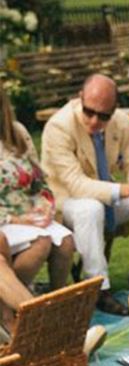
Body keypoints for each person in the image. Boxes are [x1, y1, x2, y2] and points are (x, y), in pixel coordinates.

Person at [41, 74, 129, 317]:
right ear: (80, 99)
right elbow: (75, 184)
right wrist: (127, 189)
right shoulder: (59, 127)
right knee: (90, 209)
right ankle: (99, 287)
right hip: (65, 206)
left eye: (103, 115)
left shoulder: (121, 122)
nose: (95, 120)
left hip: (103, 198)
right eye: (89, 112)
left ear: (114, 110)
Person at [1, 85, 74, 293]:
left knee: (66, 242)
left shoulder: (16, 132)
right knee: (41, 244)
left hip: (30, 214)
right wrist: (16, 219)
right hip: (5, 222)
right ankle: (14, 301)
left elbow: (39, 178)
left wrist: (45, 204)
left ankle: (57, 301)